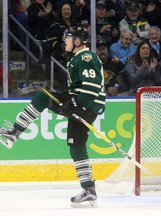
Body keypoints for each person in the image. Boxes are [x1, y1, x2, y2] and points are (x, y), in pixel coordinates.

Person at [0, 26, 105, 207]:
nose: (65, 41)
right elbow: (81, 88)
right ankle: (89, 190)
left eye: (69, 38)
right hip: (81, 104)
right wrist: (73, 103)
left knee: (42, 97)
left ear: (78, 41)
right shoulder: (77, 59)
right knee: (76, 145)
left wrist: (75, 105)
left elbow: (91, 87)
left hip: (84, 105)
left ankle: (15, 132)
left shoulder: (86, 57)